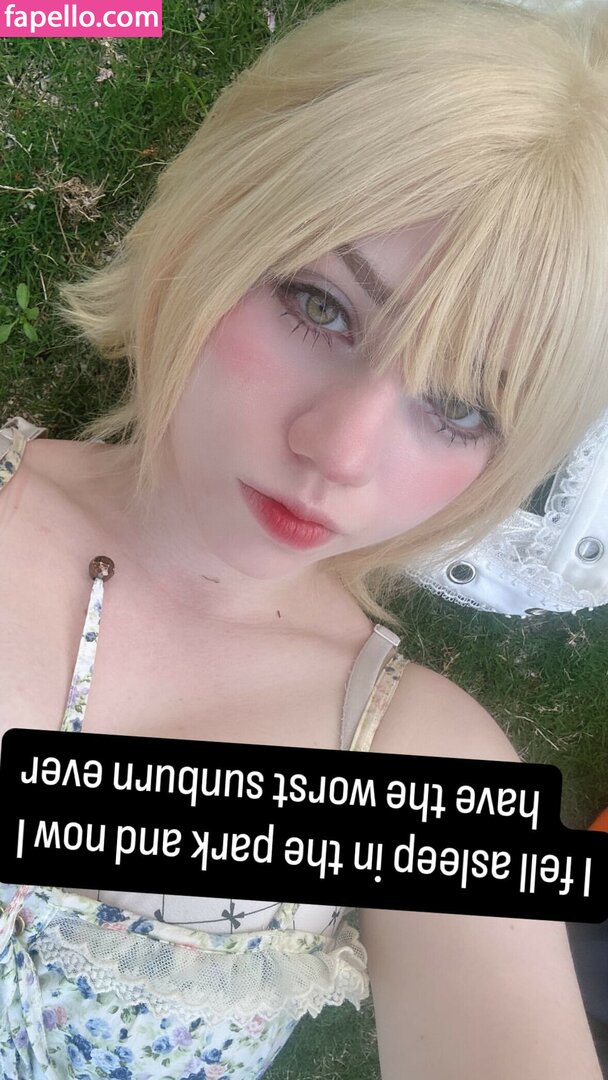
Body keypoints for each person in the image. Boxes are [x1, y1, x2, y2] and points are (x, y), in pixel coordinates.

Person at [1, 0, 607, 1076]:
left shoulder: (417, 765)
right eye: (321, 306)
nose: (340, 452)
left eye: (460, 406)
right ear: (210, 220)